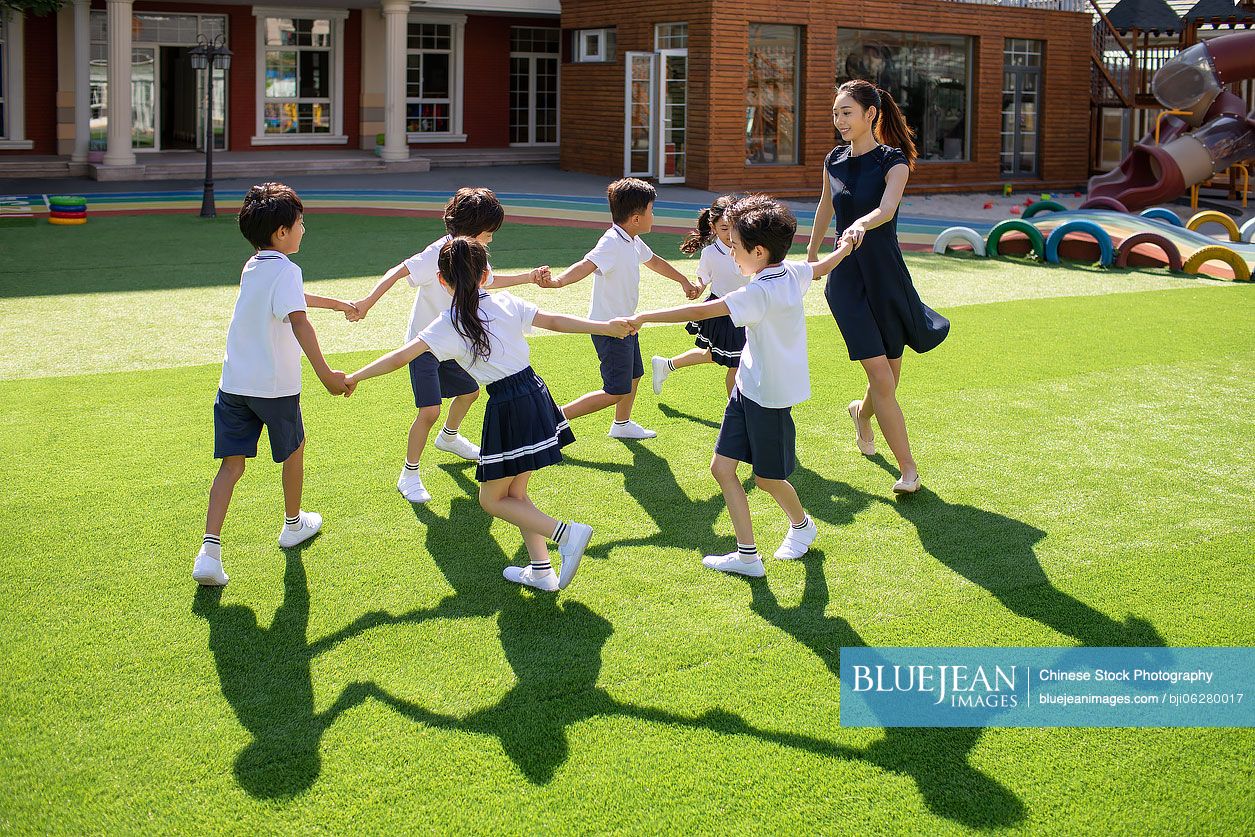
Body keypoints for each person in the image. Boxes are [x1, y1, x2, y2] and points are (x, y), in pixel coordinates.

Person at [346, 237, 637, 592]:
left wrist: (353, 377)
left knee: (491, 499)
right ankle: (542, 570)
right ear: (486, 275)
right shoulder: (505, 302)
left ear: (442, 280)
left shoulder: (446, 323)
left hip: (509, 405)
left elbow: (399, 357)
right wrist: (606, 327)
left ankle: (566, 534)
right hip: (535, 391)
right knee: (515, 492)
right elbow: (557, 321)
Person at [631, 195, 853, 578]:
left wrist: (644, 317)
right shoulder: (793, 273)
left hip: (768, 396)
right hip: (747, 388)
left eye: (735, 248)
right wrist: (848, 244)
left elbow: (700, 310)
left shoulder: (758, 293)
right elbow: (822, 266)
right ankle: (747, 556)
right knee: (722, 469)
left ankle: (802, 526)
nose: (731, 255)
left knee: (767, 479)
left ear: (760, 250)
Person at [193, 183, 358, 587]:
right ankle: (292, 523)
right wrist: (327, 375)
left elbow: (291, 299)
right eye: (301, 223)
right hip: (275, 387)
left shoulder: (254, 266)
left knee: (231, 467)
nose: (305, 228)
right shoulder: (287, 269)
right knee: (294, 449)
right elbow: (298, 319)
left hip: (234, 384)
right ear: (281, 232)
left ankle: (209, 553)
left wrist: (337, 304)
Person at [349, 188, 550, 503]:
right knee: (429, 410)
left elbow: (488, 282)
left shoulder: (472, 255)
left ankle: (450, 437)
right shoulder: (439, 252)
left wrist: (528, 277)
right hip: (425, 345)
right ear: (473, 229)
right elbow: (397, 271)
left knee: (470, 391)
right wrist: (367, 302)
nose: (492, 239)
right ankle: (409, 473)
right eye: (489, 232)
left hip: (455, 343)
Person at [807, 79, 950, 495]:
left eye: (846, 112)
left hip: (887, 276)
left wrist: (860, 223)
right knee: (882, 378)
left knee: (889, 377)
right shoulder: (833, 161)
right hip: (847, 281)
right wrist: (812, 254)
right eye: (836, 113)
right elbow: (824, 206)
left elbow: (886, 210)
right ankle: (909, 471)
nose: (839, 121)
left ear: (871, 114)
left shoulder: (895, 162)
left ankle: (861, 413)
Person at [545, 178, 702, 440]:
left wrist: (683, 280)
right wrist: (559, 281)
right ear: (636, 218)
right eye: (652, 210)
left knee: (634, 375)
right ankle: (553, 416)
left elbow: (654, 262)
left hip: (627, 325)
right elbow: (587, 264)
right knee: (615, 390)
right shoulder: (611, 242)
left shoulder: (631, 239)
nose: (655, 216)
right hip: (610, 329)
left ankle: (622, 424)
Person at [651, 195, 746, 398]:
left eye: (734, 226)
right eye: (724, 228)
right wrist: (696, 288)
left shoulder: (749, 245)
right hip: (722, 311)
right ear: (713, 227)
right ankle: (736, 414)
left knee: (715, 355)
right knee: (737, 363)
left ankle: (666, 365)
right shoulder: (711, 253)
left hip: (747, 309)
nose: (730, 233)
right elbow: (703, 279)